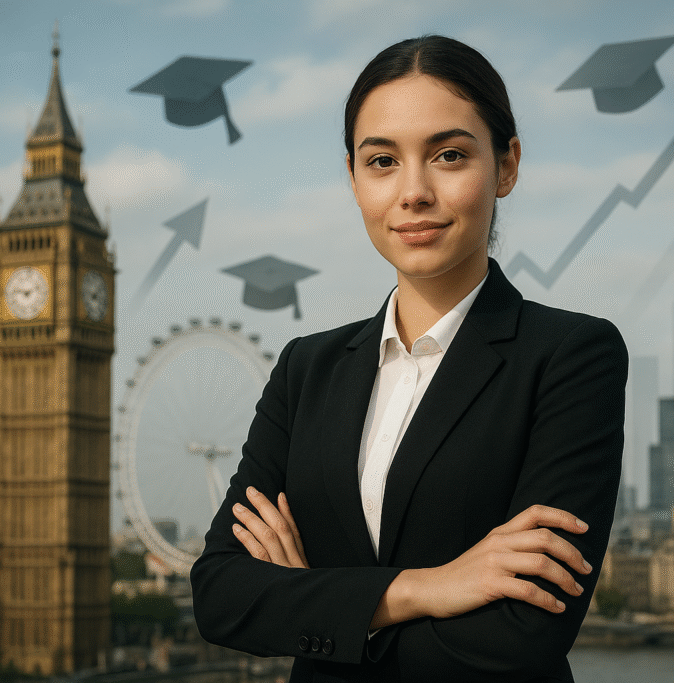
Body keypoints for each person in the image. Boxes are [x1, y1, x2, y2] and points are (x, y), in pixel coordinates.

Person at [191, 35, 628, 682]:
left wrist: (323, 605)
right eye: (382, 161)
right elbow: (221, 594)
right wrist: (427, 588)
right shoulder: (305, 370)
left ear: (506, 165)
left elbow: (525, 632)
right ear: (353, 178)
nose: (414, 191)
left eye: (449, 155)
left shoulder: (571, 357)